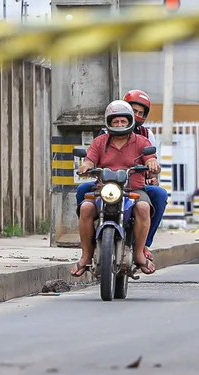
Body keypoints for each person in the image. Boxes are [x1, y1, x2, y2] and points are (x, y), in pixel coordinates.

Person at [72, 100, 160, 278]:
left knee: (143, 208)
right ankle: (86, 255)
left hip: (133, 191)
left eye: (123, 121)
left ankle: (139, 254)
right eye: (115, 121)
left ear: (130, 122)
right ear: (109, 122)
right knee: (85, 208)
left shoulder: (141, 141)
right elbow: (90, 160)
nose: (119, 125)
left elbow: (151, 158)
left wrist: (151, 163)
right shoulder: (100, 142)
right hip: (104, 190)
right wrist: (85, 166)